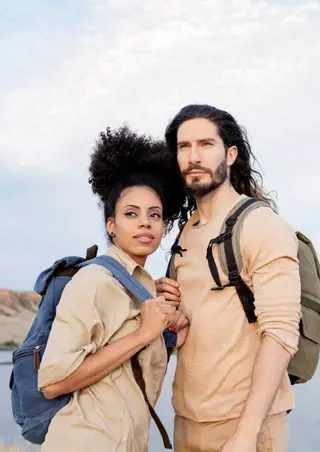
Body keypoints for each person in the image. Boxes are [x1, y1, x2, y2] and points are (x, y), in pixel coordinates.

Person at [156, 105, 302, 451]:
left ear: (231, 154)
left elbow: (281, 333)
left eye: (206, 144)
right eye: (184, 147)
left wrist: (246, 434)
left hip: (247, 425)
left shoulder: (261, 225)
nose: (194, 156)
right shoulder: (186, 234)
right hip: (189, 420)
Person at [36, 125, 190, 452]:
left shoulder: (143, 288)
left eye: (155, 215)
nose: (145, 223)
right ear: (111, 225)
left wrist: (173, 332)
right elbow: (51, 383)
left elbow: (132, 373)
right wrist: (144, 334)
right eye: (131, 214)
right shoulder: (95, 281)